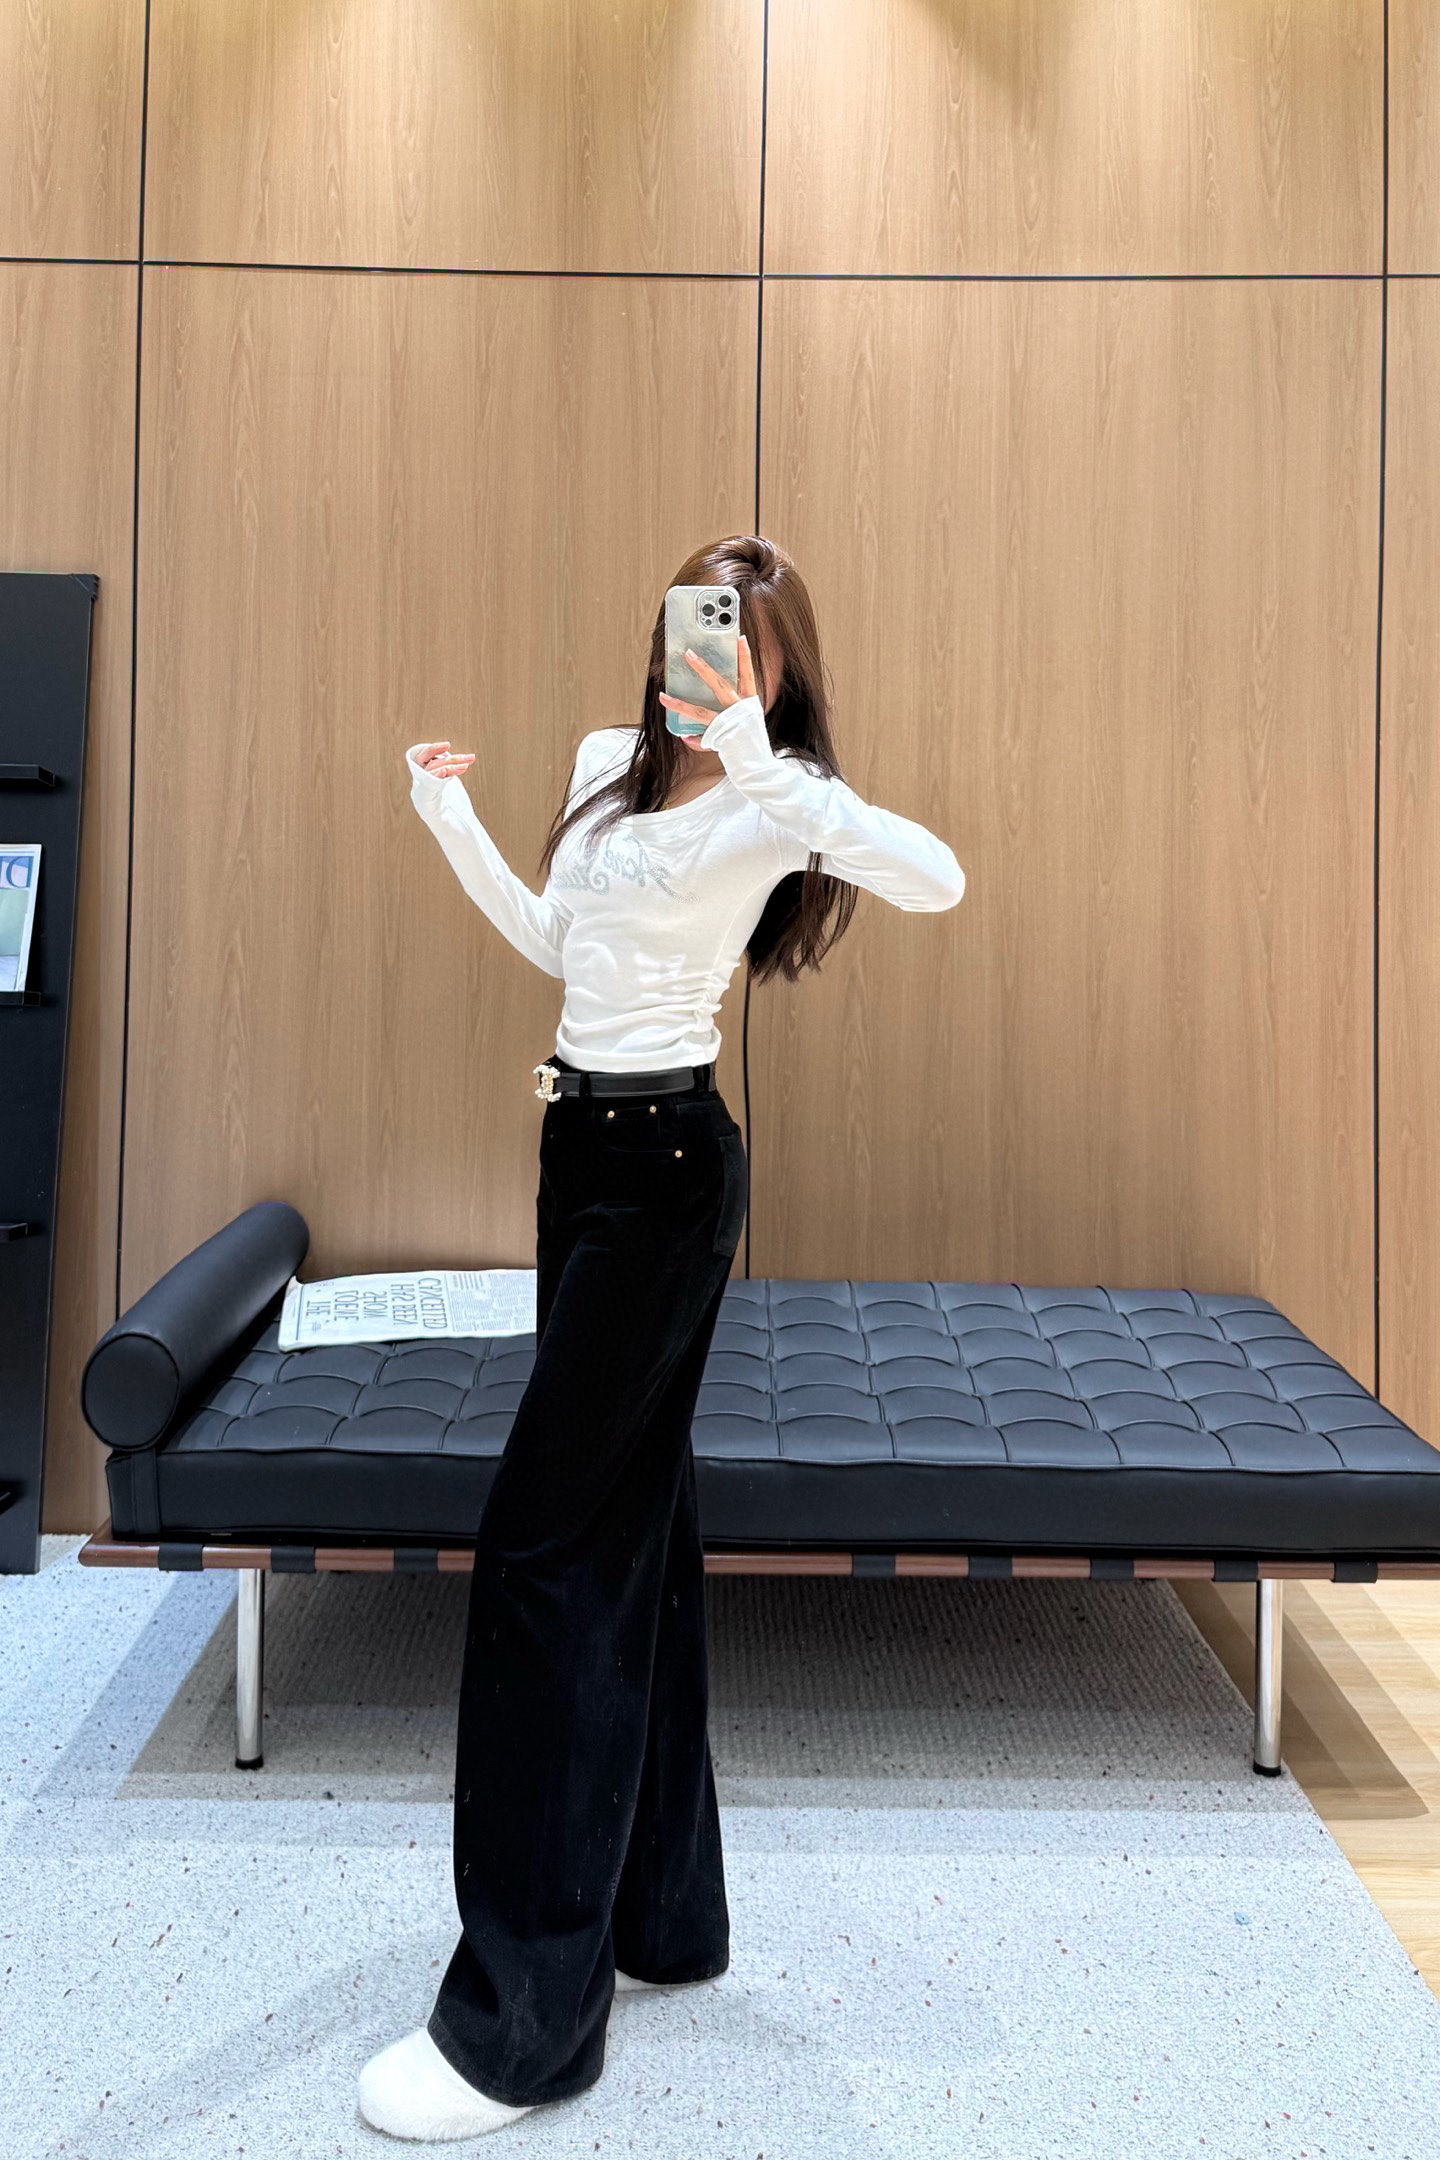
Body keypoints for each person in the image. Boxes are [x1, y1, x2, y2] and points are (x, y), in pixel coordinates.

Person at [358, 535, 965, 2140]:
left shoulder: (779, 798)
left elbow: (937, 877)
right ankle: (662, 1918)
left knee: (542, 1553)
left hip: (672, 1172)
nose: (703, 663)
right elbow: (563, 949)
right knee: (631, 1527)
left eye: (738, 643)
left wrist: (766, 763)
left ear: (776, 664)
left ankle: (522, 2027)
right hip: (578, 1156)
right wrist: (449, 820)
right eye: (690, 631)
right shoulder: (599, 770)